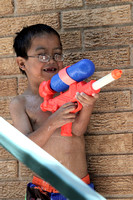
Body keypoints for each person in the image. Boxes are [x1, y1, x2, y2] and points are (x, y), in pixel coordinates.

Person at [10, 24, 99, 200]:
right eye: (42, 55)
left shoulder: (67, 94)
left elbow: (77, 132)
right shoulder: (21, 103)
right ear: (22, 63)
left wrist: (87, 105)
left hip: (80, 187)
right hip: (46, 191)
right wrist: (52, 122)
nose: (51, 60)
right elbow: (24, 148)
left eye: (57, 54)